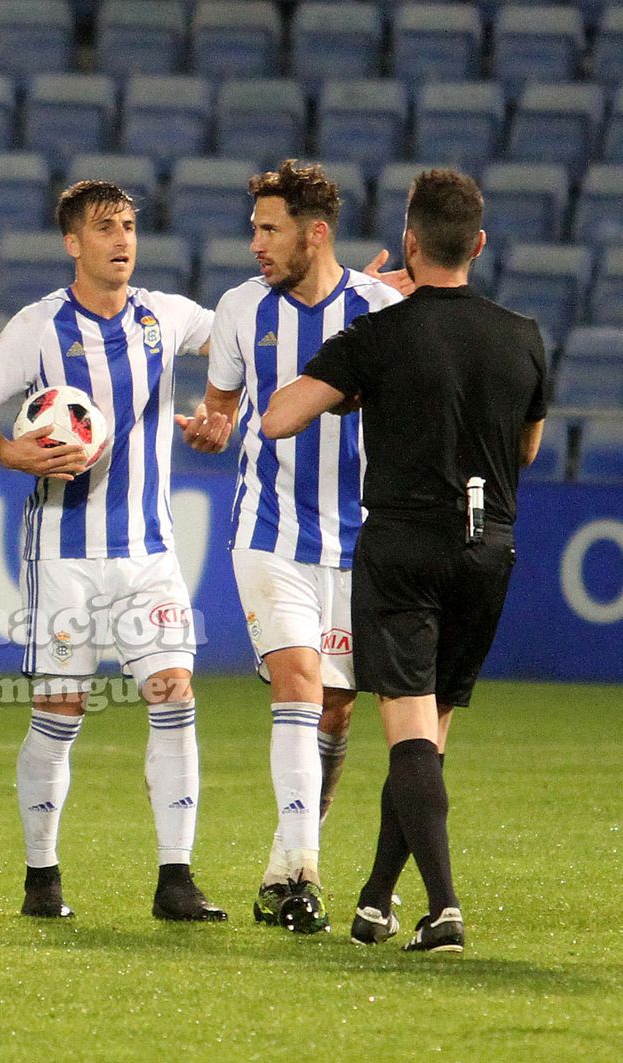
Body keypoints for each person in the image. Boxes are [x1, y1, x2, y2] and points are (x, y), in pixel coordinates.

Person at [263, 168, 547, 954]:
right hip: (489, 544)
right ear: (479, 245)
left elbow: (279, 417)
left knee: (409, 733)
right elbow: (527, 446)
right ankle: (377, 899)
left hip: (402, 546)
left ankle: (445, 906)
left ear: (411, 242)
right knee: (428, 735)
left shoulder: (378, 336)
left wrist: (351, 372)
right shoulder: (521, 334)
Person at [0, 180, 226, 923]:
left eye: (130, 225)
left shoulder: (165, 316)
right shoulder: (37, 327)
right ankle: (42, 876)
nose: (123, 239)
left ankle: (176, 877)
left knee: (175, 696)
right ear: (73, 243)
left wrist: (354, 293)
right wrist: (11, 451)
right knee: (60, 713)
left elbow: (239, 334)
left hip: (149, 552)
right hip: (64, 552)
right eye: (105, 227)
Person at [179, 160, 405, 934]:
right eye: (254, 229)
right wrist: (211, 427)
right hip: (267, 531)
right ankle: (308, 876)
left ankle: (282, 869)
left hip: (354, 536)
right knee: (300, 684)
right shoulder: (241, 309)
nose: (255, 244)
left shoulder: (378, 309)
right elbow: (221, 406)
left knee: (337, 710)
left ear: (314, 233)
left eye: (269, 229)